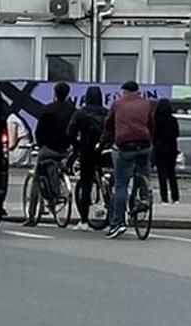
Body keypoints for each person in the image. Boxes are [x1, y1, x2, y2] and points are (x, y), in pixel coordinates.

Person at [101, 79, 155, 236]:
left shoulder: (117, 104)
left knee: (121, 185)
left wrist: (104, 142)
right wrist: (150, 138)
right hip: (144, 144)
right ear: (138, 91)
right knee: (143, 173)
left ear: (124, 91)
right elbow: (151, 124)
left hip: (126, 146)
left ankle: (117, 223)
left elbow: (109, 125)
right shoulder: (147, 103)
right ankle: (144, 198)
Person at [33, 81, 78, 206]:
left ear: (55, 93)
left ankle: (31, 212)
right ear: (68, 94)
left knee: (36, 177)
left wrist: (40, 144)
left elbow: (39, 131)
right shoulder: (72, 110)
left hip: (49, 149)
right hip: (65, 150)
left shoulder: (48, 109)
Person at [71, 85, 108, 224]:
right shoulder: (106, 112)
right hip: (104, 150)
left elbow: (70, 132)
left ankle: (84, 220)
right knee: (110, 178)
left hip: (87, 150)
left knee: (86, 184)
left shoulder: (81, 113)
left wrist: (77, 147)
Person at [152, 94, 181, 204]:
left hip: (160, 150)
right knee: (172, 174)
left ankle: (164, 198)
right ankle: (176, 197)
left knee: (161, 175)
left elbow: (153, 136)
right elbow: (176, 134)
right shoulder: (173, 120)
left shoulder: (156, 120)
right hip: (172, 149)